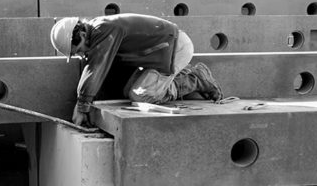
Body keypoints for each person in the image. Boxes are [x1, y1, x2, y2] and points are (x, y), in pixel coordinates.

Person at [50, 13, 224, 127]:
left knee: (140, 95)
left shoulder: (104, 30)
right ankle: (178, 77)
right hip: (159, 54)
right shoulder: (100, 30)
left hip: (174, 48)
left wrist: (82, 107)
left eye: (79, 50)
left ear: (81, 35)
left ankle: (196, 79)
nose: (82, 56)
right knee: (128, 90)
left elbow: (96, 66)